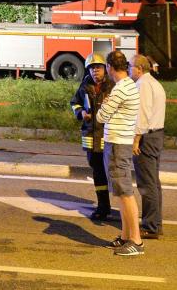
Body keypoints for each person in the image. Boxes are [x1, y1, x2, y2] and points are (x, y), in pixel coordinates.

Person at [96, 50, 144, 256]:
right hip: (120, 142)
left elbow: (101, 116)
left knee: (125, 193)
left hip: (117, 144)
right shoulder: (129, 85)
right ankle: (125, 236)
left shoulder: (120, 90)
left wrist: (105, 105)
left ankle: (136, 241)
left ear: (110, 67)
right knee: (121, 192)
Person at [71, 53, 115, 221]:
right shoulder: (85, 85)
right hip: (90, 136)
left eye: (98, 67)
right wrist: (81, 112)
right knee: (98, 173)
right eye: (92, 68)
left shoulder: (112, 86)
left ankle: (122, 207)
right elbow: (74, 102)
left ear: (105, 69)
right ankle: (103, 206)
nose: (95, 71)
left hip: (108, 136)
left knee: (111, 173)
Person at [132, 54, 166, 240]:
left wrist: (136, 139)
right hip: (156, 135)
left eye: (131, 67)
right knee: (154, 182)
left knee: (147, 184)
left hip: (147, 137)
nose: (129, 70)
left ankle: (150, 226)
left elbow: (142, 114)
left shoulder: (143, 85)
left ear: (138, 68)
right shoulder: (154, 83)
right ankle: (155, 223)